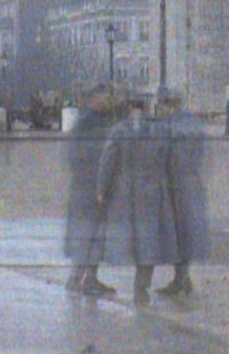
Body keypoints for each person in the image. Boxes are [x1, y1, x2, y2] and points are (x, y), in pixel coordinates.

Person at [96, 94, 173, 303]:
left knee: (129, 237)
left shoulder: (120, 130)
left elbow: (107, 161)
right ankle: (141, 286)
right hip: (153, 192)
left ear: (128, 107)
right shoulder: (159, 130)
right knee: (149, 240)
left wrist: (102, 190)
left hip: (126, 192)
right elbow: (168, 159)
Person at [63, 87, 119, 297]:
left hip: (90, 187)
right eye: (104, 97)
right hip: (90, 188)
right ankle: (82, 278)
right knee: (91, 233)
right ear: (94, 99)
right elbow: (84, 155)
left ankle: (84, 277)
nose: (107, 100)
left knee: (92, 233)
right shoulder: (90, 123)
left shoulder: (92, 121)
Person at [156, 91, 210, 300]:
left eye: (161, 107)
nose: (159, 111)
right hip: (186, 184)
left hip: (180, 186)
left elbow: (177, 157)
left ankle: (181, 278)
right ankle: (181, 277)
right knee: (182, 232)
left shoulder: (178, 127)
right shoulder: (188, 124)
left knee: (180, 232)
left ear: (170, 106)